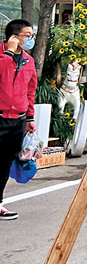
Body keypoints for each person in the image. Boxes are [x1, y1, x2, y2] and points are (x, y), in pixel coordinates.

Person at [0, 19, 37, 221]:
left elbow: (30, 90)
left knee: (5, 163)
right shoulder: (2, 57)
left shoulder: (28, 61)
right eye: (27, 36)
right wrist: (8, 54)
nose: (30, 39)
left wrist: (30, 117)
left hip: (17, 121)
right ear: (14, 37)